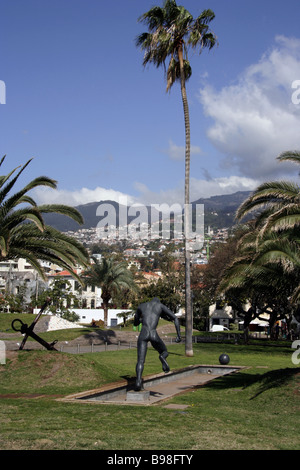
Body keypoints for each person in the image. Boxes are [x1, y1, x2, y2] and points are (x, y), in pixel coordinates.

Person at [133, 297, 181, 391]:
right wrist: (178, 335)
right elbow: (175, 318)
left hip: (143, 333)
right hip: (153, 334)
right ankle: (162, 357)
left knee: (140, 361)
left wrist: (140, 320)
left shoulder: (141, 306)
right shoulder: (160, 306)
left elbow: (135, 322)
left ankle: (138, 381)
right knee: (164, 351)